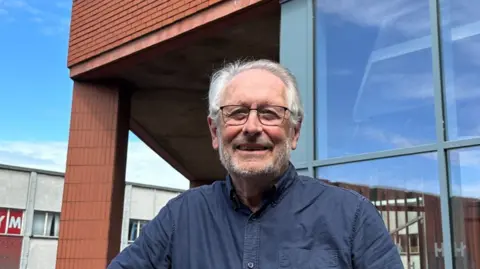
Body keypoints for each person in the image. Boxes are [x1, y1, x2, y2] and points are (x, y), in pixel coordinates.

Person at [107, 59, 404, 268]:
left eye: (269, 113)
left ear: (295, 132)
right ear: (215, 131)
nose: (251, 127)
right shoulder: (179, 218)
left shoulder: (352, 217)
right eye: (236, 113)